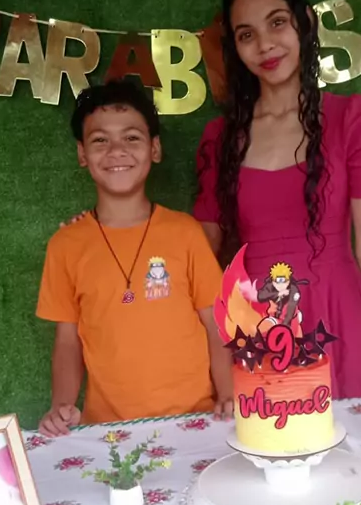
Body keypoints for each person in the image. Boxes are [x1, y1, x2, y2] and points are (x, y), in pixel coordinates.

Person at [193, 0, 361, 402]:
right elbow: (198, 253)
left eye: (277, 22)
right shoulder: (220, 138)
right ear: (234, 47)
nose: (265, 44)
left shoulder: (352, 120)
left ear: (305, 21)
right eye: (247, 34)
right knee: (266, 441)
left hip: (337, 315)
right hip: (255, 324)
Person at [37, 80, 233, 437]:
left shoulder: (185, 233)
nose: (117, 151)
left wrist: (229, 394)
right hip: (109, 431)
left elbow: (216, 324)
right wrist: (62, 404)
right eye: (100, 140)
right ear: (82, 154)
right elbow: (67, 340)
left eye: (131, 137)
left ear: (154, 148)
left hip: (194, 422)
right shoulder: (65, 245)